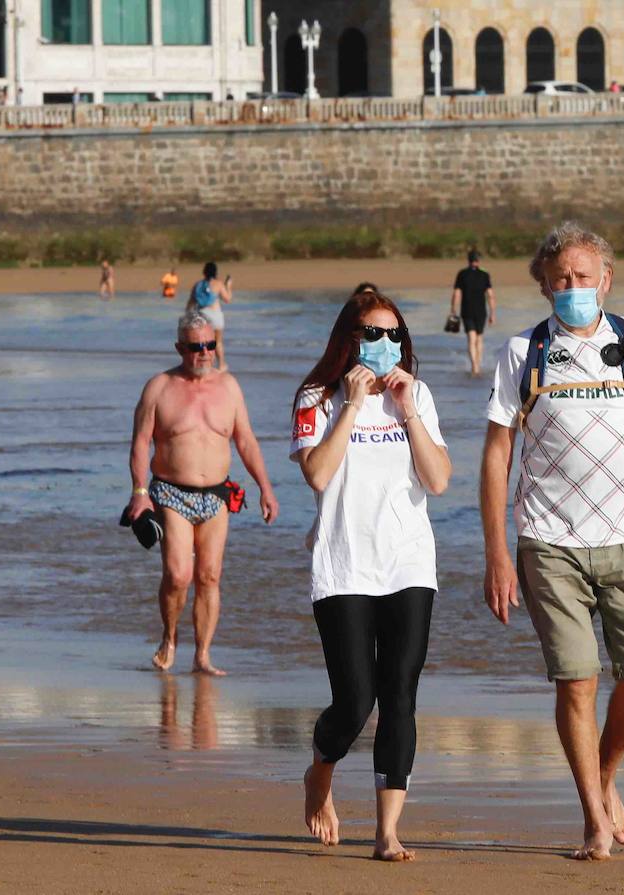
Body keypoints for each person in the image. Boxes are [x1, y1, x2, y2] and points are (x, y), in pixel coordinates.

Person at [480, 221, 624, 860]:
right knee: (576, 681)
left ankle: (605, 777)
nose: (573, 288)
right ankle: (593, 817)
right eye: (561, 280)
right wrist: (497, 551)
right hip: (548, 543)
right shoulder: (524, 352)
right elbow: (498, 454)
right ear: (545, 286)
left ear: (606, 278)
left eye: (583, 276)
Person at [292, 284, 452, 862]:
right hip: (344, 565)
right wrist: (353, 405)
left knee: (400, 695)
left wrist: (407, 408)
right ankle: (321, 770)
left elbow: (437, 481)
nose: (384, 345)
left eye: (394, 335)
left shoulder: (418, 395)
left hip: (409, 562)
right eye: (372, 334)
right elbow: (317, 475)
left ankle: (387, 832)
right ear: (349, 339)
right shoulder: (317, 396)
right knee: (356, 701)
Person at [126, 311, 279, 676]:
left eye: (210, 345)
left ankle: (203, 656)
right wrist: (140, 492)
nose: (205, 353)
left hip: (217, 495)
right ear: (180, 348)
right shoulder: (159, 387)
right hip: (170, 493)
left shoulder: (229, 387)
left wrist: (265, 488)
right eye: (196, 347)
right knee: (179, 575)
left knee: (209, 575)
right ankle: (169, 637)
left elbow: (245, 440)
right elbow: (140, 443)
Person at [450, 249, 496, 377]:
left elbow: (457, 293)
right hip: (481, 312)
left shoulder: (462, 274)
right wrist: (492, 313)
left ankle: (474, 367)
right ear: (478, 260)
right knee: (479, 339)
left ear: (468, 260)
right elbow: (490, 295)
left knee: (471, 339)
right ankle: (477, 365)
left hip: (467, 311)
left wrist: (453, 309)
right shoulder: (484, 274)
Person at [187, 261, 233, 371]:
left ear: (204, 272)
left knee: (203, 342)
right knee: (218, 342)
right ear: (215, 272)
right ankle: (221, 365)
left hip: (202, 315)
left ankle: (205, 364)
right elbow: (227, 299)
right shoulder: (218, 284)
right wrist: (229, 286)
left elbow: (190, 304)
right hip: (215, 315)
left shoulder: (197, 285)